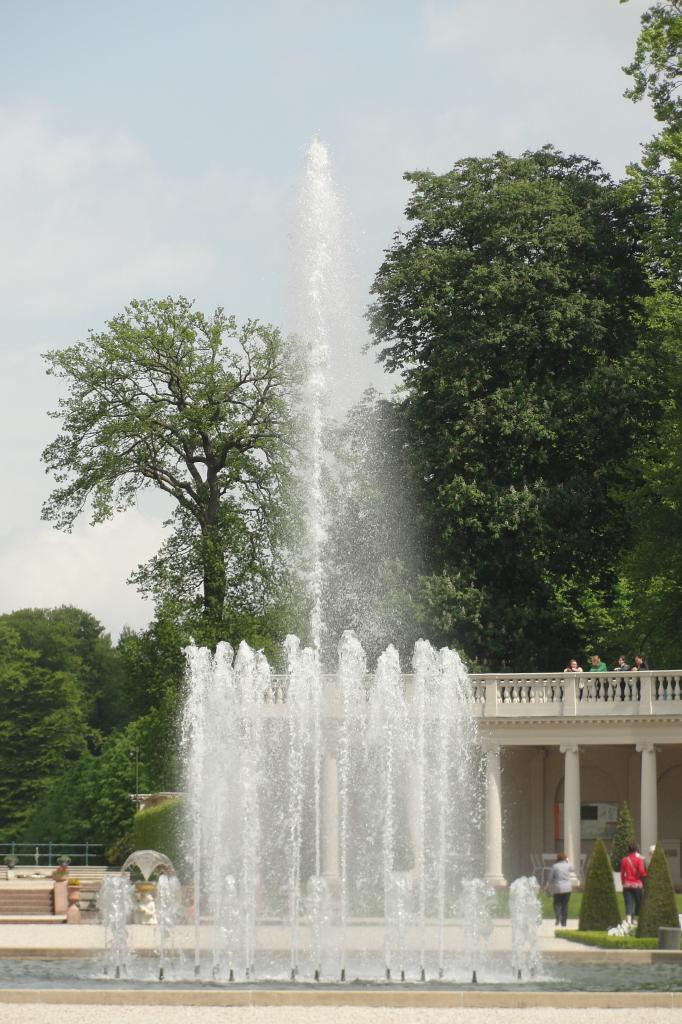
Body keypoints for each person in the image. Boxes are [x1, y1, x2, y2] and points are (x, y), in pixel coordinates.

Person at [620, 842, 647, 925]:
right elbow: (642, 872)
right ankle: (635, 919)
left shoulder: (624, 860)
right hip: (637, 884)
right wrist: (646, 874)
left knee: (628, 902)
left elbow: (622, 873)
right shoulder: (639, 860)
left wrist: (623, 882)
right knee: (638, 902)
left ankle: (628, 920)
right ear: (636, 850)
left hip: (627, 884)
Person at [547, 851, 572, 927]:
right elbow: (573, 869)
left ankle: (558, 915)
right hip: (567, 888)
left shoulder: (555, 866)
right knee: (565, 905)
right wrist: (568, 861)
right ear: (565, 858)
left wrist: (547, 885)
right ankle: (564, 923)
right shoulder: (568, 865)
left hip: (558, 888)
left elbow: (550, 878)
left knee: (557, 903)